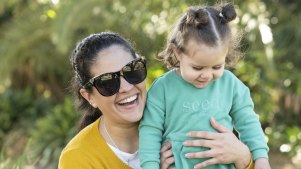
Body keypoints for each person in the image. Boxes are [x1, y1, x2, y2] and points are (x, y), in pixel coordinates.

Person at [58, 32, 254, 169]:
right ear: (89, 96)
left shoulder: (183, 119)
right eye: (108, 82)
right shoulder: (78, 158)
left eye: (132, 71)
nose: (126, 88)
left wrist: (243, 158)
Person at [139, 2, 271, 169]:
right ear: (178, 53)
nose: (207, 75)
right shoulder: (163, 88)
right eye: (197, 67)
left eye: (217, 67)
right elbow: (150, 130)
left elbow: (248, 122)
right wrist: (150, 165)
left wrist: (261, 158)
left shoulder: (230, 85)